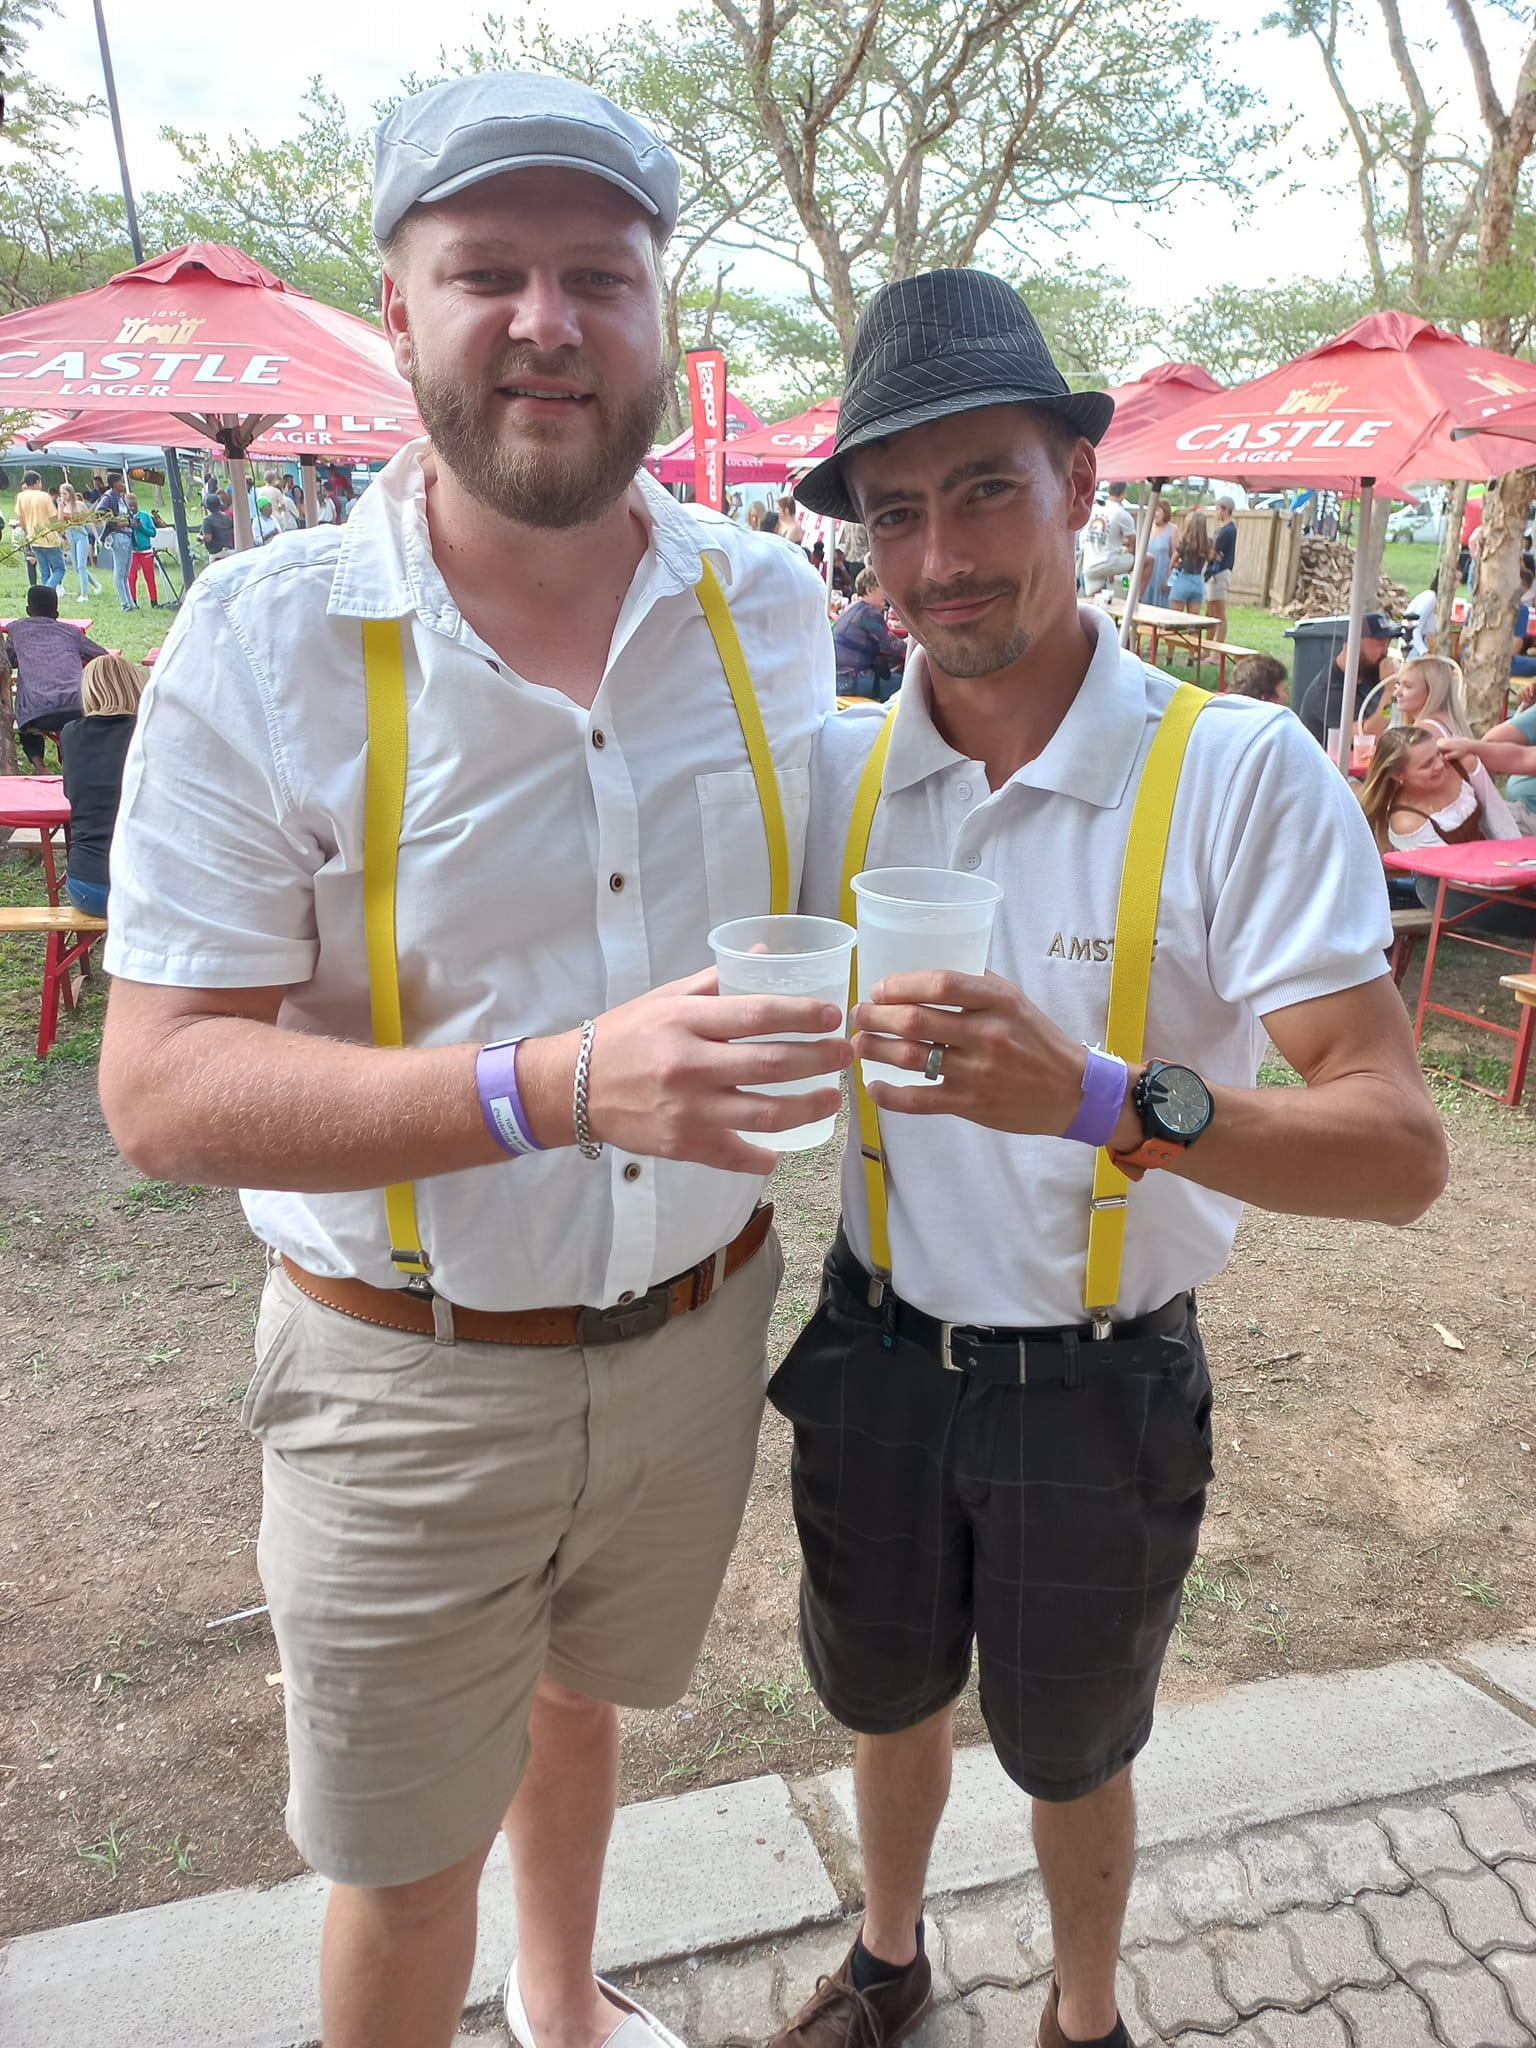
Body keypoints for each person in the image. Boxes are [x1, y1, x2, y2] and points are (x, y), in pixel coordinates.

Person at [95, 71, 837, 2048]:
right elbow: (160, 1088)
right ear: (400, 307)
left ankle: (565, 2007)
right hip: (403, 1382)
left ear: (659, 310)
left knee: (580, 1704)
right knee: (407, 1865)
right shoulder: (262, 644)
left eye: (598, 273)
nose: (546, 319)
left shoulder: (772, 608)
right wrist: (553, 1082)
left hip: (694, 1336)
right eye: (487, 269)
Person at [774, 266, 1446, 2048]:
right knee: (885, 1699)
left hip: (1097, 1378)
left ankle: (1084, 2017)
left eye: (985, 488)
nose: (939, 558)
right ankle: (890, 1960)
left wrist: (1102, 1100)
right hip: (872, 1346)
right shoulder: (833, 777)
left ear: (1082, 480)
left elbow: (1397, 1149)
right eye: (894, 513)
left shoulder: (1237, 773)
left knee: (1073, 1745)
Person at [1358, 725, 1532, 934]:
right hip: (1446, 885)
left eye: (1437, 754)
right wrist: (1510, 881)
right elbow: (1455, 872)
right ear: (1398, 775)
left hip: (1492, 865)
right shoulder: (1406, 820)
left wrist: (1522, 868)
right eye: (1426, 765)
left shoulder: (1462, 763)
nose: (1440, 764)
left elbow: (1499, 820)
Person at [58, 655, 146, 918]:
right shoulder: (149, 732)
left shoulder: (70, 733)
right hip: (144, 883)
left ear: (88, 691)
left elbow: (71, 791)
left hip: (86, 884)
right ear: (136, 685)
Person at [5, 584, 107, 768]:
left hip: (36, 714)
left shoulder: (16, 630)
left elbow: (8, 661)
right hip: (77, 708)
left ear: (28, 610)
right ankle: (74, 763)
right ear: (56, 613)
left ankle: (40, 767)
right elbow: (103, 656)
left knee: (26, 713)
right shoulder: (72, 632)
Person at [1297, 612, 1399, 750]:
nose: (1385, 651)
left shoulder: (1370, 673)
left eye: (1388, 644)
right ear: (1353, 645)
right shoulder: (1328, 693)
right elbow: (1366, 735)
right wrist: (1389, 691)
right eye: (1379, 644)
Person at [832, 566, 908, 701]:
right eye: (882, 587)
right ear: (869, 590)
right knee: (907, 687)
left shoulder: (852, 608)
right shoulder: (868, 613)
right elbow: (893, 646)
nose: (886, 594)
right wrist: (916, 646)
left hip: (835, 678)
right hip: (849, 680)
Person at [1079, 479, 1135, 600]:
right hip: (1107, 562)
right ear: (1124, 493)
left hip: (1089, 565)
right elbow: (1134, 544)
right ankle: (1136, 599)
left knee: (1093, 601)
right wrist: (1130, 553)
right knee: (1146, 560)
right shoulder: (1122, 514)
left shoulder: (1094, 509)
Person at [92, 471, 137, 609]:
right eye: (121, 482)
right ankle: (124, 603)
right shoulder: (109, 497)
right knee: (120, 571)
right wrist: (114, 523)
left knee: (126, 573)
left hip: (128, 535)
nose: (123, 484)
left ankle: (131, 602)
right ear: (114, 484)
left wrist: (129, 522)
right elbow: (100, 511)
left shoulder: (120, 498)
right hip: (118, 536)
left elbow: (129, 516)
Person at [15, 470, 66, 588]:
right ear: (37, 482)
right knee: (59, 569)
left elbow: (21, 521)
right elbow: (53, 518)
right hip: (49, 538)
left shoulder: (21, 497)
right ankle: (48, 588)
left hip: (33, 538)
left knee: (44, 570)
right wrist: (61, 530)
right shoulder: (44, 496)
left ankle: (44, 594)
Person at [57, 482, 104, 600]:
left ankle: (84, 595)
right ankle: (96, 585)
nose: (63, 496)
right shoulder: (62, 506)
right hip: (69, 534)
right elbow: (60, 523)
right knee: (77, 567)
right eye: (61, 494)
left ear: (70, 493)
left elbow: (89, 520)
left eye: (65, 493)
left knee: (81, 566)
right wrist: (60, 508)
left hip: (81, 534)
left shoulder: (80, 505)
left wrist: (96, 536)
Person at [1204, 495, 1237, 635]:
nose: (1216, 512)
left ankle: (1218, 647)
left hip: (1220, 573)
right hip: (1212, 574)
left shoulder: (1229, 530)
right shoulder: (1220, 530)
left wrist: (1211, 551)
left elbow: (1213, 552)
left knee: (1219, 613)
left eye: (1218, 509)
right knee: (1210, 612)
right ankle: (1208, 645)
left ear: (1226, 510)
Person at [1166, 509, 1209, 614]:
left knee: (1174, 618)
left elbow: (1173, 561)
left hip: (1184, 579)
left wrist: (1176, 565)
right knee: (1193, 621)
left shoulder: (1185, 544)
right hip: (1198, 582)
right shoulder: (1206, 544)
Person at [126, 495, 161, 608]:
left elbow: (153, 533)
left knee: (149, 576)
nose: (132, 508)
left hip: (146, 551)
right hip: (132, 551)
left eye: (134, 506)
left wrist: (141, 528)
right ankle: (132, 601)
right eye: (129, 506)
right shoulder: (124, 518)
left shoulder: (145, 516)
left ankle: (154, 601)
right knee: (131, 577)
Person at [1140, 498, 1173, 609]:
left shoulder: (1172, 529)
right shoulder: (1146, 528)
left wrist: (1170, 580)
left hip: (1162, 577)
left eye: (1158, 510)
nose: (1155, 513)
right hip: (1147, 577)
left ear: (1165, 511)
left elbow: (1176, 558)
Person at [1403, 585, 1438, 658]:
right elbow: (1415, 627)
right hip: (1415, 648)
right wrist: (1424, 652)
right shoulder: (1431, 599)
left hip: (1420, 645)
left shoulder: (1432, 597)